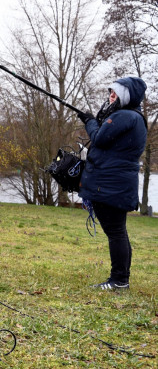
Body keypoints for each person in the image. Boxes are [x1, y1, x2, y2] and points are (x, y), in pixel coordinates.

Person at [78, 76, 147, 292]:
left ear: (126, 97)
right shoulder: (131, 117)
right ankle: (121, 279)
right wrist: (93, 119)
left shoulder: (125, 116)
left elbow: (99, 138)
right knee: (119, 231)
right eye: (110, 92)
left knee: (116, 232)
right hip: (115, 184)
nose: (111, 95)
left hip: (111, 185)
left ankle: (118, 280)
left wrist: (89, 121)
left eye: (115, 93)